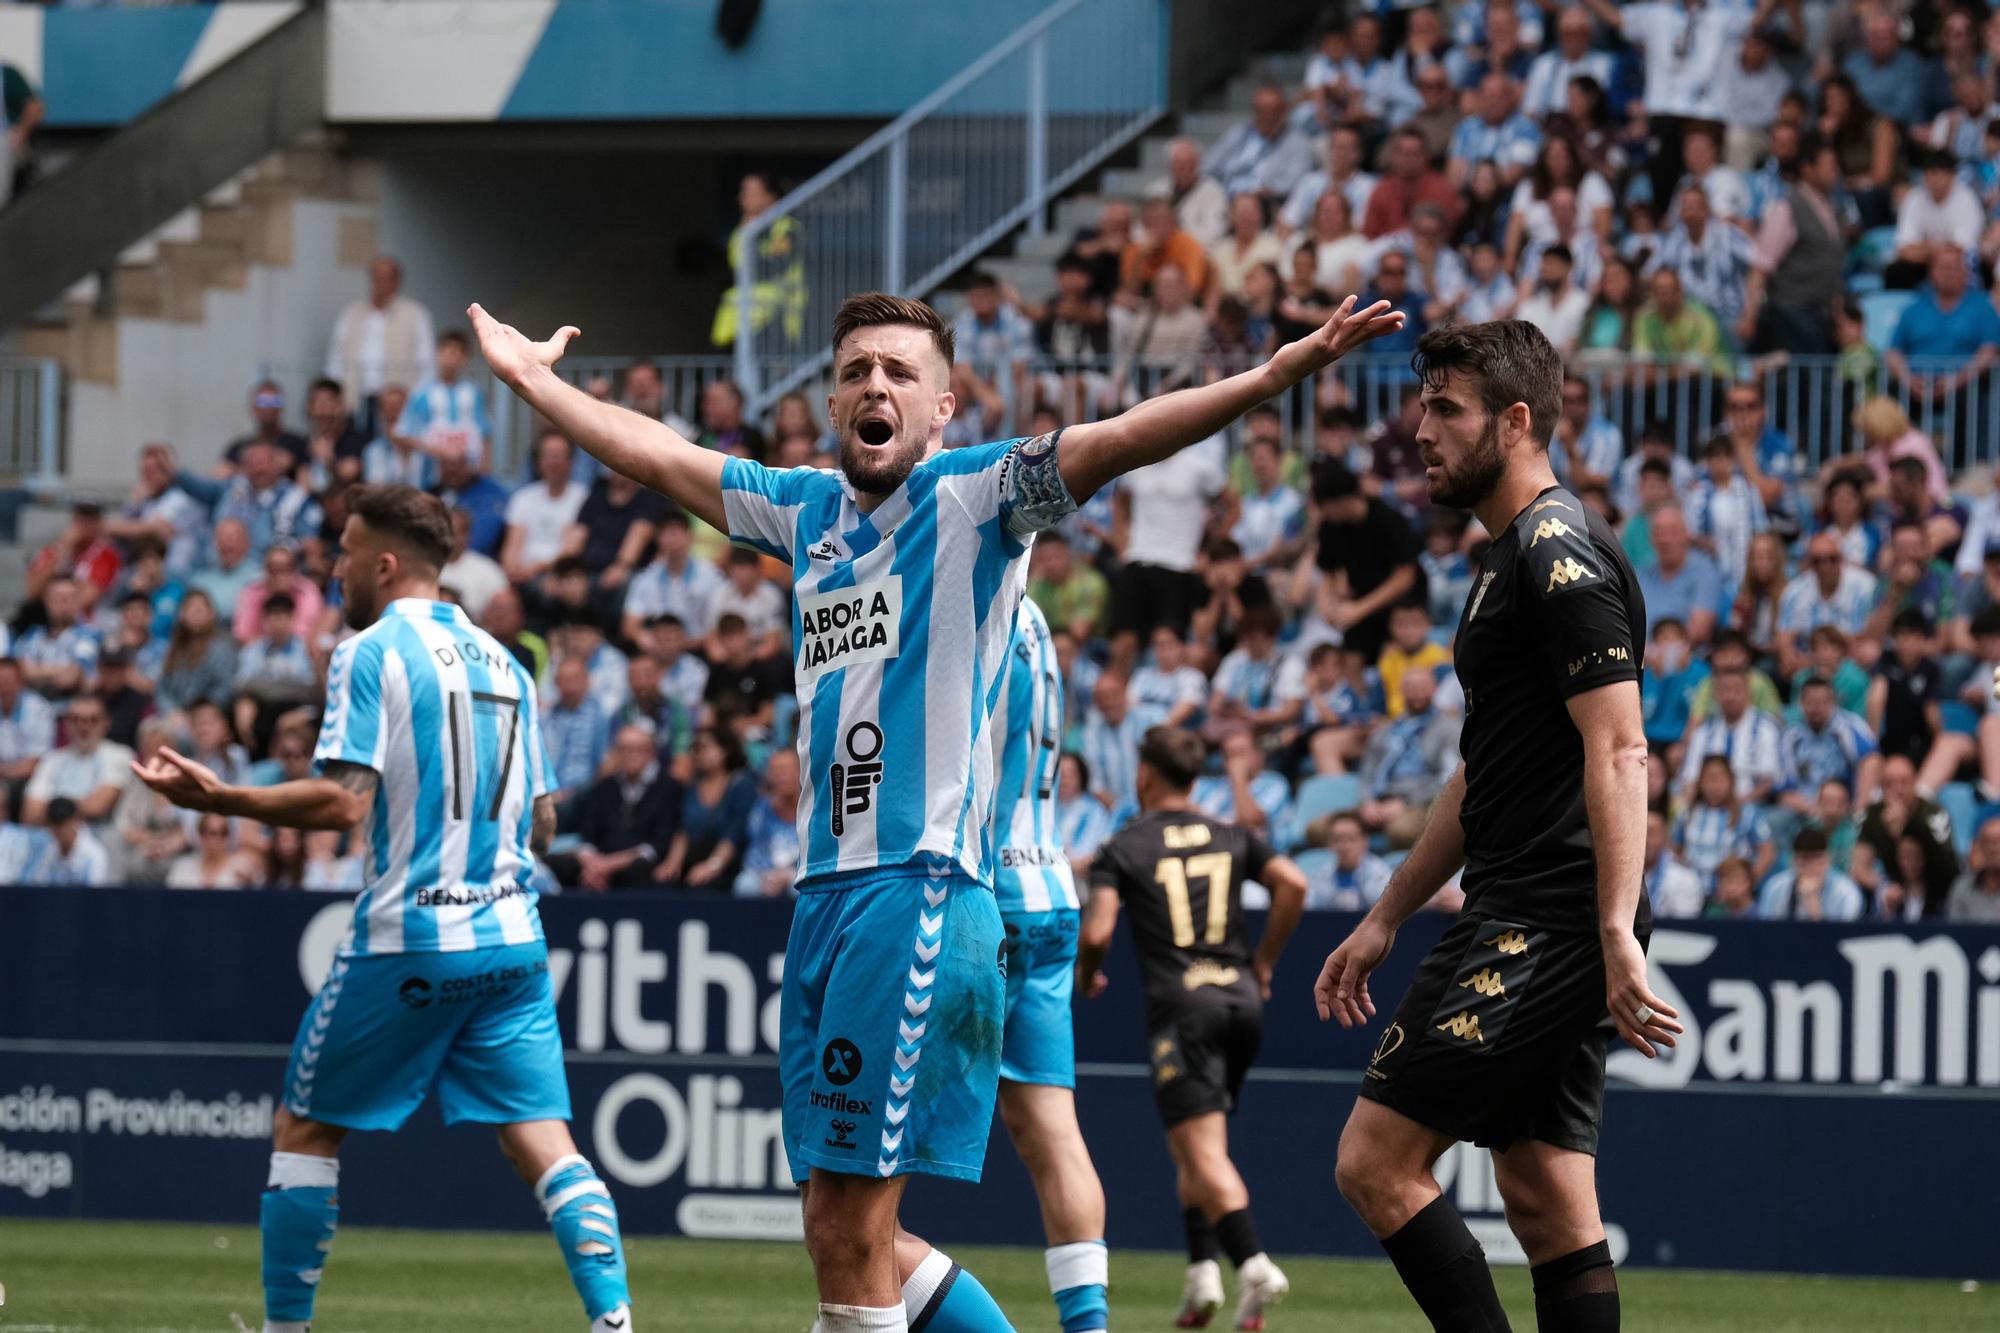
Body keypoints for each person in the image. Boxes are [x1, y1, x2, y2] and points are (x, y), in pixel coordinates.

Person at [471, 280, 1402, 1331]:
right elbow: (655, 454)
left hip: (917, 892)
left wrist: (1275, 373)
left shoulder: (974, 498)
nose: (875, 385)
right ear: (832, 402)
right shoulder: (805, 509)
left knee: (855, 1226)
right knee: (831, 1215)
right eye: (855, 371)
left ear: (943, 406)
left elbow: (1128, 435)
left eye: (899, 372)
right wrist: (532, 383)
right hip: (827, 896)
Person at [129, 484, 634, 1333]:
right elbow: (545, 822)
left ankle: (287, 1329)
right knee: (544, 1142)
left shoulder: (368, 652)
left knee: (304, 1127)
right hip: (512, 936)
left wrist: (223, 796)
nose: (335, 569)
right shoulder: (509, 663)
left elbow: (341, 804)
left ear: (385, 563)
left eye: (345, 553)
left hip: (412, 935)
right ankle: (615, 1322)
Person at [1316, 321, 1673, 1333]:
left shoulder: (1557, 554)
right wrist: (1386, 912)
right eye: (1423, 403)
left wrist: (1610, 929)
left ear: (1515, 423)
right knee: (1544, 1197)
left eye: (1445, 409)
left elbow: (1620, 748)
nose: (1419, 428)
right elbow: (1485, 773)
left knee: (1374, 1161)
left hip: (1544, 916)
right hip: (1540, 906)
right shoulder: (1501, 559)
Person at [1078, 725, 1308, 1331]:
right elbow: (1294, 882)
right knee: (1197, 1145)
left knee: (1200, 1149)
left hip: (1182, 1010)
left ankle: (1252, 1262)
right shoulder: (1231, 833)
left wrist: (1087, 974)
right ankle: (1202, 1273)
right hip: (1240, 1003)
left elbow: (1098, 931)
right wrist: (1263, 962)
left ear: (1145, 775)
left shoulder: (1124, 845)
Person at [971, 598, 1111, 1333]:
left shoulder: (968, 595)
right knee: (1053, 1133)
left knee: (875, 1124)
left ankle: (861, 1306)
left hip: (982, 889)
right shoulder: (1032, 615)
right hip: (1053, 888)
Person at [550, 724, 682, 891]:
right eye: (624, 749)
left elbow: (658, 844)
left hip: (638, 862)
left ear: (651, 753)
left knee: (640, 871)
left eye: (637, 749)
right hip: (600, 859)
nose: (631, 756)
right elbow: (588, 833)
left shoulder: (669, 788)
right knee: (558, 865)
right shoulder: (604, 787)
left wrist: (610, 865)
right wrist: (593, 864)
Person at [327, 255, 437, 416]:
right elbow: (336, 358)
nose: (381, 283)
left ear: (397, 281)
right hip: (357, 400)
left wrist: (414, 399)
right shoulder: (351, 312)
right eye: (377, 277)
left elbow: (426, 362)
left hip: (398, 404)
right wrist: (336, 394)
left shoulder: (415, 314)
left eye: (386, 278)